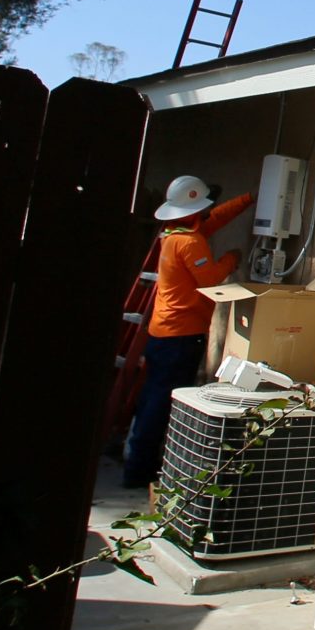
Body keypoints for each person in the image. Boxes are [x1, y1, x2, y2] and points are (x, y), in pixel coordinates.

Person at [121, 175, 253, 490]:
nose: (210, 212)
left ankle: (137, 464)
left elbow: (215, 218)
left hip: (163, 333)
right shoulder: (190, 242)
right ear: (196, 210)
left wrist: (247, 199)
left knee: (153, 396)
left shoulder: (174, 234)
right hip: (180, 336)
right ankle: (142, 471)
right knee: (164, 401)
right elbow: (208, 278)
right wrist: (232, 259)